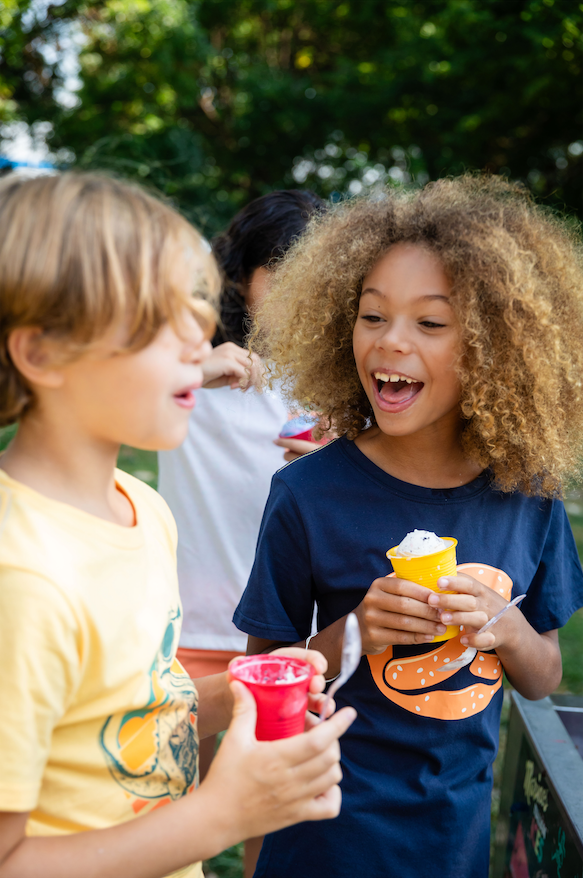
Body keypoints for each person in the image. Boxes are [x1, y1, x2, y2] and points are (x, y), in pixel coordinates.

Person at [0, 172, 356, 878]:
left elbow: (134, 716)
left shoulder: (141, 511)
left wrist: (250, 691)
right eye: (156, 318)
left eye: (195, 309)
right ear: (39, 353)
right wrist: (222, 815)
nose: (200, 337)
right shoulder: (22, 581)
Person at [233, 175, 583, 878]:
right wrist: (353, 630)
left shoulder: (528, 497)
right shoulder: (306, 494)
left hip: (447, 844)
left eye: (429, 323)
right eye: (371, 317)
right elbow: (256, 681)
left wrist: (506, 627)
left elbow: (543, 677)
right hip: (320, 839)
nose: (391, 343)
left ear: (495, 347)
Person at [157, 191, 325, 770]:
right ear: (241, 273)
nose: (304, 296)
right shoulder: (186, 356)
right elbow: (101, 385)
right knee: (172, 813)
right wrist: (197, 368)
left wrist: (328, 464)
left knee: (274, 826)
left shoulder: (337, 374)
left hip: (290, 632)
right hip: (189, 626)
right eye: (285, 275)